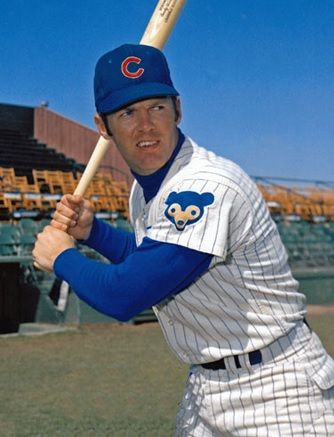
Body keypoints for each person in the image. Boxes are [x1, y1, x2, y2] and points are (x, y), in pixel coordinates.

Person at [33, 43, 334, 436]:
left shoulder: (204, 184)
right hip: (207, 385)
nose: (145, 125)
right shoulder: (145, 191)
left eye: (156, 107)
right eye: (127, 113)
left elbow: (125, 295)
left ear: (178, 109)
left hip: (278, 389)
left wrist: (61, 257)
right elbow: (151, 261)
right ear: (103, 127)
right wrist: (93, 233)